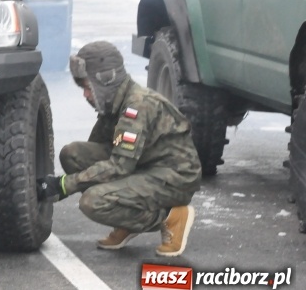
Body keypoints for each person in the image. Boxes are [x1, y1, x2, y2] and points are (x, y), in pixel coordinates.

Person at [37, 41, 202, 257]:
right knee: (73, 155)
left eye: (88, 87)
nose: (86, 95)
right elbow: (97, 153)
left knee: (93, 201)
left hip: (173, 176)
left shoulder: (136, 107)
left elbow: (119, 166)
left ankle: (171, 217)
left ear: (106, 80)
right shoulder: (115, 101)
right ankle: (127, 217)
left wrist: (63, 186)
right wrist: (64, 183)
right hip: (144, 163)